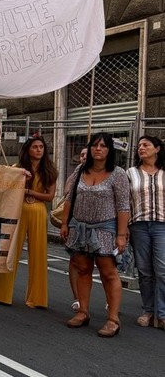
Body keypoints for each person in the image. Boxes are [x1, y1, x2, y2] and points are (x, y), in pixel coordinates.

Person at [60, 132, 130, 337]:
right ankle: (83, 311)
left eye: (103, 145)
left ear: (110, 150)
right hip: (79, 226)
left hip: (106, 228)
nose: (98, 149)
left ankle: (113, 319)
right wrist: (65, 223)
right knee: (83, 269)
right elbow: (69, 199)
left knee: (108, 272)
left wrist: (121, 234)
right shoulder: (81, 170)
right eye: (94, 145)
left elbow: (123, 206)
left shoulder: (118, 174)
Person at [0, 136, 57, 309]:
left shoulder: (49, 171)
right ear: (28, 150)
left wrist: (27, 190)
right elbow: (6, 187)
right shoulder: (17, 169)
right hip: (18, 210)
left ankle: (38, 298)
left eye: (41, 147)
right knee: (9, 250)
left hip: (39, 212)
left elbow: (50, 196)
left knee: (39, 254)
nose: (39, 150)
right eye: (35, 147)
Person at [127, 135, 165, 328]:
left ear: (157, 149)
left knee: (162, 270)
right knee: (144, 271)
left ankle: (162, 313)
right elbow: (125, 203)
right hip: (139, 225)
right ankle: (148, 311)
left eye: (146, 145)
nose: (141, 148)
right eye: (139, 145)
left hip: (162, 225)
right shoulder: (131, 173)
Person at [67, 147, 88, 312]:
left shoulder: (110, 172)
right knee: (75, 260)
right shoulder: (77, 172)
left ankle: (109, 300)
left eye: (87, 155)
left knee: (104, 264)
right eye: (81, 155)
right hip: (76, 221)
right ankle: (77, 299)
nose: (84, 158)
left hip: (101, 224)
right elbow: (67, 192)